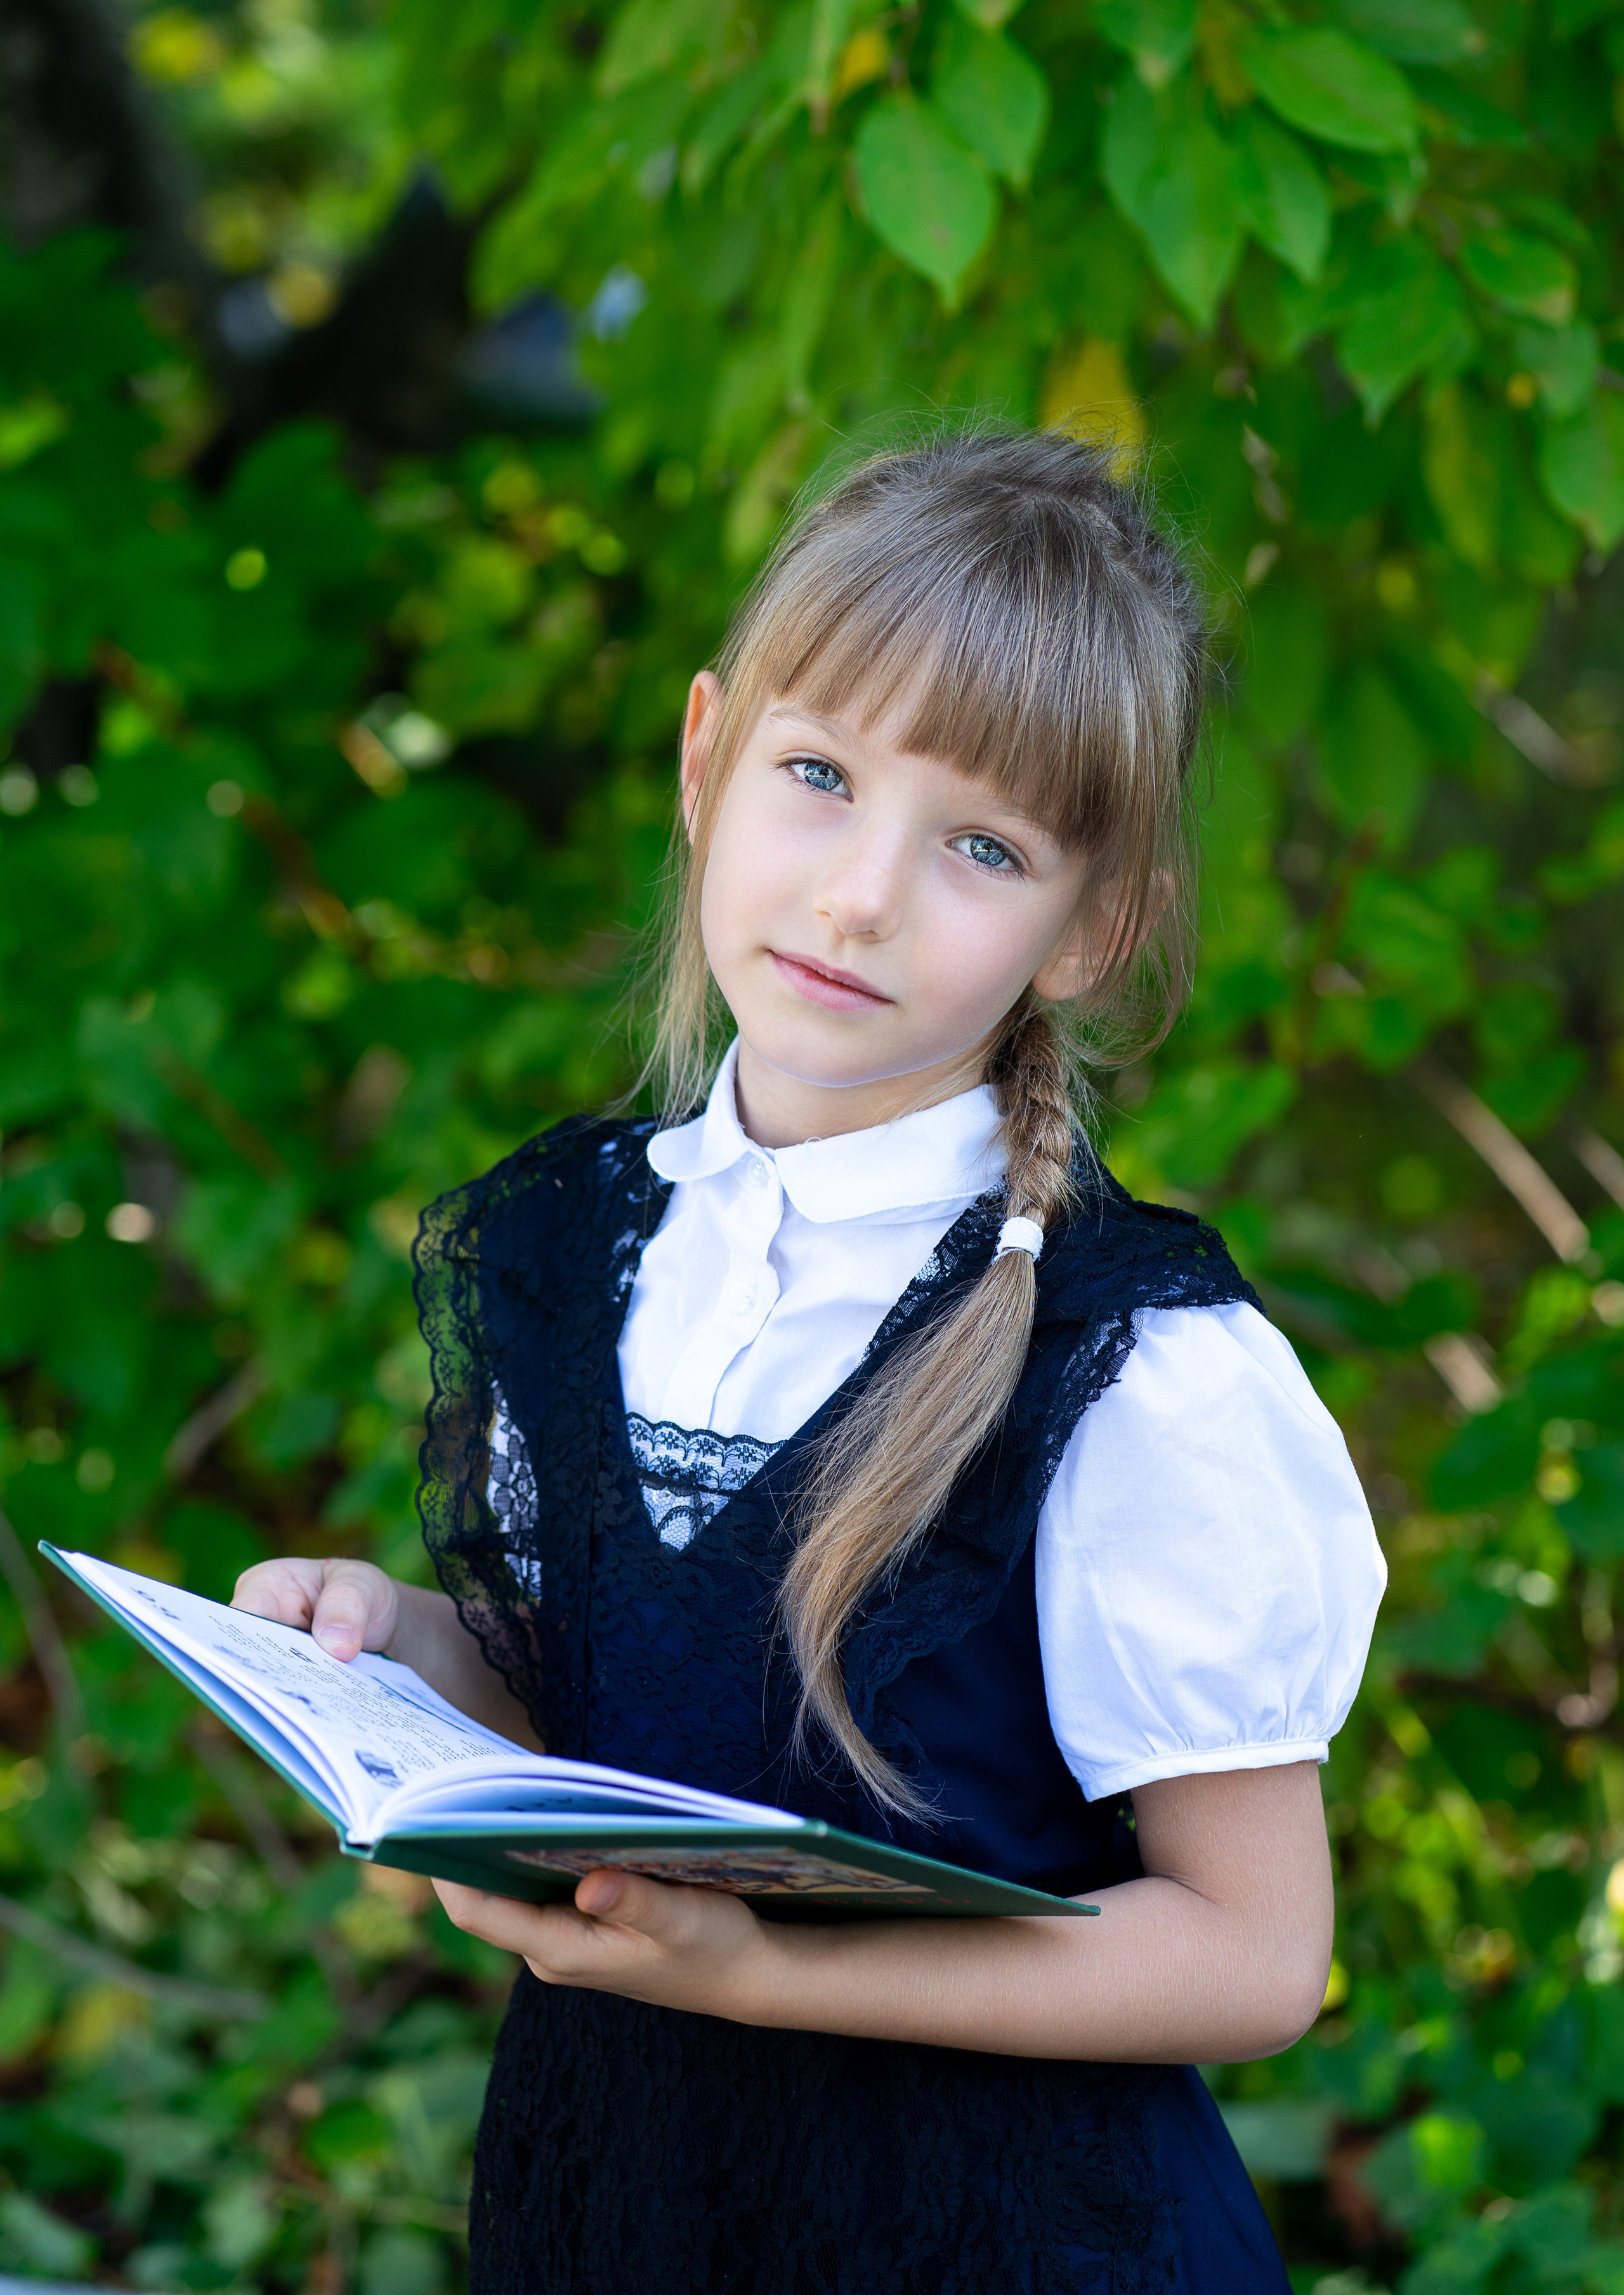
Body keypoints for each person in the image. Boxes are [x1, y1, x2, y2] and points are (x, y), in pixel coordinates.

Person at [235, 430, 1385, 2293]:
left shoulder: (1139, 1367)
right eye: (821, 774)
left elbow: (1254, 1957)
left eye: (982, 844)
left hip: (995, 2244)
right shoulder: (579, 1247)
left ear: (1091, 926)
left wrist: (778, 1975)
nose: (862, 892)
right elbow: (601, 1701)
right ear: (707, 761)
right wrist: (389, 1640)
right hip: (628, 2206)